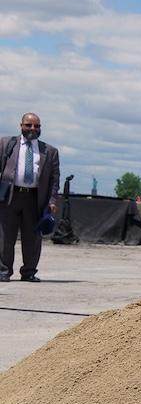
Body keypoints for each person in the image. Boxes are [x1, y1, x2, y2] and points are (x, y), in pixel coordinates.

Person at [0, 112, 61, 282]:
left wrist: (52, 200)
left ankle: (29, 272)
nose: (33, 129)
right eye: (29, 125)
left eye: (37, 126)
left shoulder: (50, 151)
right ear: (21, 126)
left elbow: (54, 179)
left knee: (32, 238)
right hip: (9, 197)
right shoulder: (6, 144)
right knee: (5, 236)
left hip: (34, 199)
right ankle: (3, 272)